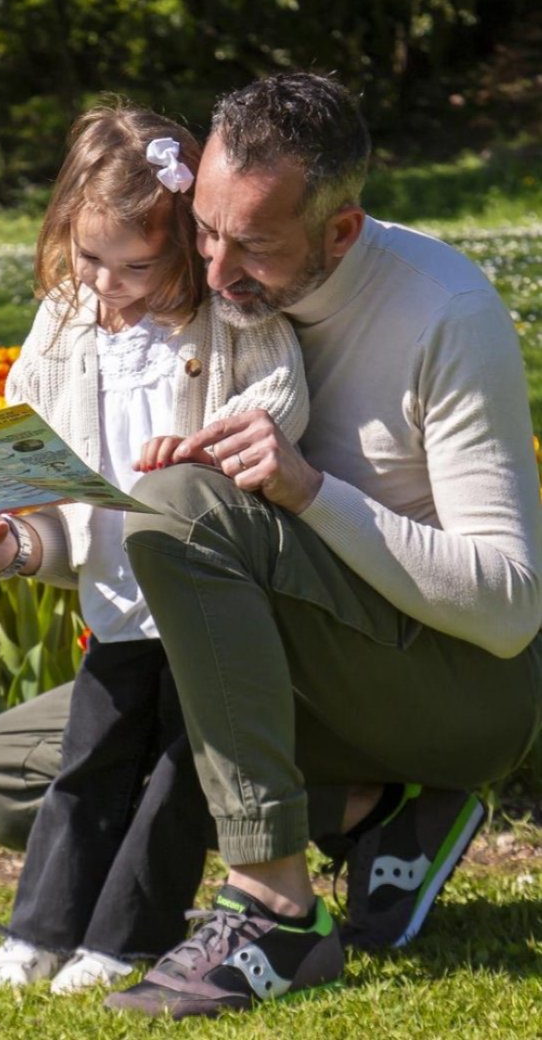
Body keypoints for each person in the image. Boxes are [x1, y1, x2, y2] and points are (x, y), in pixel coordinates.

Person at [96, 72, 542, 1020]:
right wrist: (11, 547)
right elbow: (135, 512)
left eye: (252, 244)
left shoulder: (443, 312)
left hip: (453, 687)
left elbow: (509, 610)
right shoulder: (206, 296)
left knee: (186, 505)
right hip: (293, 669)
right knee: (12, 776)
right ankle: (380, 814)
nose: (215, 271)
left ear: (341, 232)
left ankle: (274, 911)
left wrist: (308, 490)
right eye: (206, 231)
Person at [0, 101, 310, 995]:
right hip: (119, 600)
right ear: (63, 232)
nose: (109, 282)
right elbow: (34, 447)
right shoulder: (65, 327)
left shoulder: (224, 321)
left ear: (184, 248)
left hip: (207, 600)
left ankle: (125, 936)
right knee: (89, 764)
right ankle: (38, 928)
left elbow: (280, 388)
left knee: (175, 779)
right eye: (90, 257)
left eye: (138, 264)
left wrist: (222, 443)